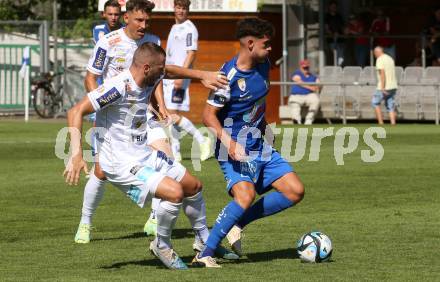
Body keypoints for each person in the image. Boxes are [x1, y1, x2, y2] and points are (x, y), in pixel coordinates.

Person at [64, 42, 229, 269]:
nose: (163, 73)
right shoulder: (118, 87)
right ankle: (161, 245)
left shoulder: (150, 75)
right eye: (159, 69)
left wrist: (202, 75)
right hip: (121, 164)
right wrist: (76, 155)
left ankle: (203, 241)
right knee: (174, 193)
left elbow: (169, 70)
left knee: (194, 186)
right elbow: (76, 111)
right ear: (146, 68)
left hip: (144, 154)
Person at [193, 18, 305, 268]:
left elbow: (256, 102)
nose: (270, 49)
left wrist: (264, 128)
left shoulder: (264, 63)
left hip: (259, 144)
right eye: (267, 44)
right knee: (245, 196)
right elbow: (207, 116)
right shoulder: (228, 76)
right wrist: (230, 144)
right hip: (233, 147)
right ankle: (205, 253)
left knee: (294, 190)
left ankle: (237, 225)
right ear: (251, 43)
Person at [162, 0, 211, 162]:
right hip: (169, 77)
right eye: (178, 7)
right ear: (174, 8)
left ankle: (202, 140)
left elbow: (191, 53)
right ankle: (175, 153)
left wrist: (181, 76)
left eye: (184, 8)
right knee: (169, 116)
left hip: (178, 77)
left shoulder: (189, 28)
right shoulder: (174, 27)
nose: (181, 11)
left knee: (171, 114)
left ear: (188, 10)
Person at [288, 59, 321, 125]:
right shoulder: (297, 73)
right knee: (294, 103)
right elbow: (299, 82)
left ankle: (309, 120)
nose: (306, 69)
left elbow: (318, 84)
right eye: (304, 67)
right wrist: (311, 87)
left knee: (316, 100)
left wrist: (317, 86)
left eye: (307, 67)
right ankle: (297, 121)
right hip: (296, 95)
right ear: (300, 67)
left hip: (309, 95)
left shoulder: (313, 76)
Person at [372, 46, 397, 125]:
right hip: (393, 86)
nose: (374, 55)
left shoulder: (379, 59)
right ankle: (393, 123)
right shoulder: (390, 58)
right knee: (390, 105)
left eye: (374, 54)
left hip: (384, 86)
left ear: (377, 52)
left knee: (375, 102)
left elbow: (382, 74)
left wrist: (382, 87)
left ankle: (380, 122)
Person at [325, 1, 345, 66]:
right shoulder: (327, 16)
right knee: (336, 54)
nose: (334, 8)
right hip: (332, 39)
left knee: (341, 56)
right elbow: (326, 27)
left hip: (340, 39)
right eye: (332, 6)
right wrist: (332, 34)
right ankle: (337, 69)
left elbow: (342, 26)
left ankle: (338, 68)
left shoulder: (339, 16)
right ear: (329, 7)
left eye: (335, 7)